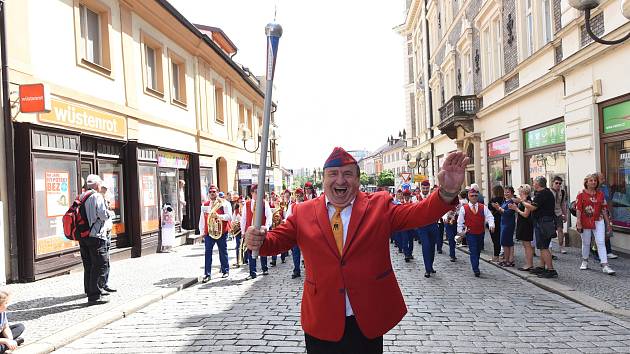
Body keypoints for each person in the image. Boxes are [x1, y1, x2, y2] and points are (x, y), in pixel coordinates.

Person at [245, 147, 466, 354]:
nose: (340, 180)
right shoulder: (303, 212)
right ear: (323, 179)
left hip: (366, 318)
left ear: (358, 180)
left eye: (348, 174)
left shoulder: (379, 205)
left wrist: (446, 193)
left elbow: (420, 213)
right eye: (333, 174)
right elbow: (275, 241)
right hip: (322, 318)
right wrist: (258, 240)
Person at [80, 174, 112, 305]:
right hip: (96, 235)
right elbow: (103, 215)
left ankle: (89, 290)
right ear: (97, 184)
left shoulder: (81, 196)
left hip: (83, 236)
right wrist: (109, 210)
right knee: (100, 264)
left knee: (88, 265)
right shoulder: (97, 196)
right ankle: (95, 296)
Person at [575, 174, 616, 275]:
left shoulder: (600, 194)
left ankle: (605, 265)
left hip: (599, 220)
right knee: (586, 243)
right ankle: (585, 260)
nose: (593, 182)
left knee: (601, 242)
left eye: (595, 180)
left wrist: (608, 223)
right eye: (591, 180)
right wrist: (578, 222)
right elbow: (578, 209)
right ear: (586, 182)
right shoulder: (581, 194)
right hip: (585, 221)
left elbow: (604, 209)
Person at [520, 176, 558, 278]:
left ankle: (550, 269)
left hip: (543, 222)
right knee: (542, 246)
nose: (533, 184)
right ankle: (542, 266)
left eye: (534, 182)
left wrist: (522, 201)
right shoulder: (544, 192)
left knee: (544, 247)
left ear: (538, 184)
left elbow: (532, 207)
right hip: (543, 221)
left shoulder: (542, 194)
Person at [457, 187, 494, 277]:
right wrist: (460, 232)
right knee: (473, 250)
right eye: (472, 195)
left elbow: (490, 216)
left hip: (481, 232)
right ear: (468, 197)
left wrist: (491, 224)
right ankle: (475, 268)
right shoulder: (464, 208)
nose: (474, 197)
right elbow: (460, 221)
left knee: (478, 250)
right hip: (470, 233)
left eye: (475, 195)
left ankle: (475, 263)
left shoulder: (483, 207)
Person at [198, 185, 232, 282]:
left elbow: (229, 216)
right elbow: (202, 219)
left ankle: (225, 270)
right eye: (210, 192)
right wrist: (202, 232)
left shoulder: (224, 203)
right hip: (209, 232)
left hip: (221, 231)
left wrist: (219, 216)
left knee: (223, 251)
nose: (212, 193)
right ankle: (207, 274)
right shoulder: (205, 204)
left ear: (217, 192)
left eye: (214, 192)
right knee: (207, 253)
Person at [241, 184, 273, 280]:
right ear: (251, 193)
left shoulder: (264, 203)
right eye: (256, 192)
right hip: (250, 231)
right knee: (250, 251)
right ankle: (252, 272)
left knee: (262, 249)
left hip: (260, 231)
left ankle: (264, 268)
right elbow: (244, 219)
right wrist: (243, 231)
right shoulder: (246, 204)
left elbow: (269, 216)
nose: (258, 194)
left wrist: (266, 227)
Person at [416, 180, 441, 277]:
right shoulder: (416, 198)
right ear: (421, 188)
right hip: (422, 226)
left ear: (429, 188)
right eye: (423, 188)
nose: (425, 190)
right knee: (425, 246)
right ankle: (427, 269)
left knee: (432, 247)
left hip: (433, 225)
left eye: (427, 188)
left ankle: (430, 266)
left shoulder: (433, 197)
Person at [511, 185, 534, 271]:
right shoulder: (523, 200)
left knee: (527, 245)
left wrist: (516, 209)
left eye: (520, 192)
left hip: (526, 224)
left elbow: (526, 214)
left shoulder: (528, 201)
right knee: (525, 245)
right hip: (523, 223)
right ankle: (528, 263)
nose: (519, 193)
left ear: (524, 192)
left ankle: (529, 264)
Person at [492, 186, 517, 267]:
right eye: (505, 192)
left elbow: (508, 213)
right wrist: (498, 208)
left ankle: (508, 260)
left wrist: (499, 208)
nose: (506, 193)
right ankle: (508, 259)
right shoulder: (505, 201)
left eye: (508, 192)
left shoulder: (511, 202)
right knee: (505, 241)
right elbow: (502, 212)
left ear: (512, 193)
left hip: (508, 224)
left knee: (506, 242)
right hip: (503, 222)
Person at [99, 184, 117, 290]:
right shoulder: (98, 200)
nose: (107, 193)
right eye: (105, 191)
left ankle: (104, 283)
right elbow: (103, 216)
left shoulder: (106, 200)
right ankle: (101, 285)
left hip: (107, 232)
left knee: (106, 259)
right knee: (103, 260)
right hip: (102, 233)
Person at [597, 173, 618, 260]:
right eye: (601, 179)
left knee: (607, 231)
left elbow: (608, 200)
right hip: (595, 214)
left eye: (603, 178)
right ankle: (596, 252)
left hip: (605, 212)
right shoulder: (592, 189)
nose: (604, 180)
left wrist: (610, 212)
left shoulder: (605, 187)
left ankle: (608, 251)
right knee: (597, 234)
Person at [287, 187, 304, 278]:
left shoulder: (307, 204)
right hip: (295, 232)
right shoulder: (292, 206)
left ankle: (309, 269)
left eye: (300, 195)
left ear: (302, 196)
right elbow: (287, 218)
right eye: (297, 195)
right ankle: (296, 270)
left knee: (307, 252)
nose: (298, 197)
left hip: (305, 232)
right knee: (295, 252)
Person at [550, 176, 568, 254]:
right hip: (550, 213)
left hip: (558, 213)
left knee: (560, 230)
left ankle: (561, 247)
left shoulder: (562, 192)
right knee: (550, 230)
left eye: (559, 183)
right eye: (556, 183)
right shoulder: (548, 191)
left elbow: (563, 204)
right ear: (552, 183)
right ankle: (549, 247)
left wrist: (565, 215)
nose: (558, 185)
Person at [488, 185, 504, 263]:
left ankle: (496, 256)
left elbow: (490, 213)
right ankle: (503, 255)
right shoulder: (504, 199)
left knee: (495, 240)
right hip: (503, 220)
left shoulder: (493, 200)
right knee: (502, 239)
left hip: (494, 222)